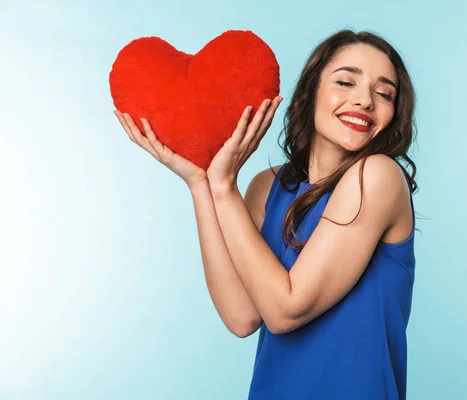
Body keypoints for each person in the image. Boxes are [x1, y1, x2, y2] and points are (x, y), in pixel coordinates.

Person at [115, 28, 417, 400]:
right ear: (311, 93)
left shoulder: (379, 176)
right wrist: (202, 183)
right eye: (345, 81)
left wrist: (224, 189)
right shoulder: (268, 187)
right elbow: (242, 316)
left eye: (383, 93)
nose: (364, 101)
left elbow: (285, 310)